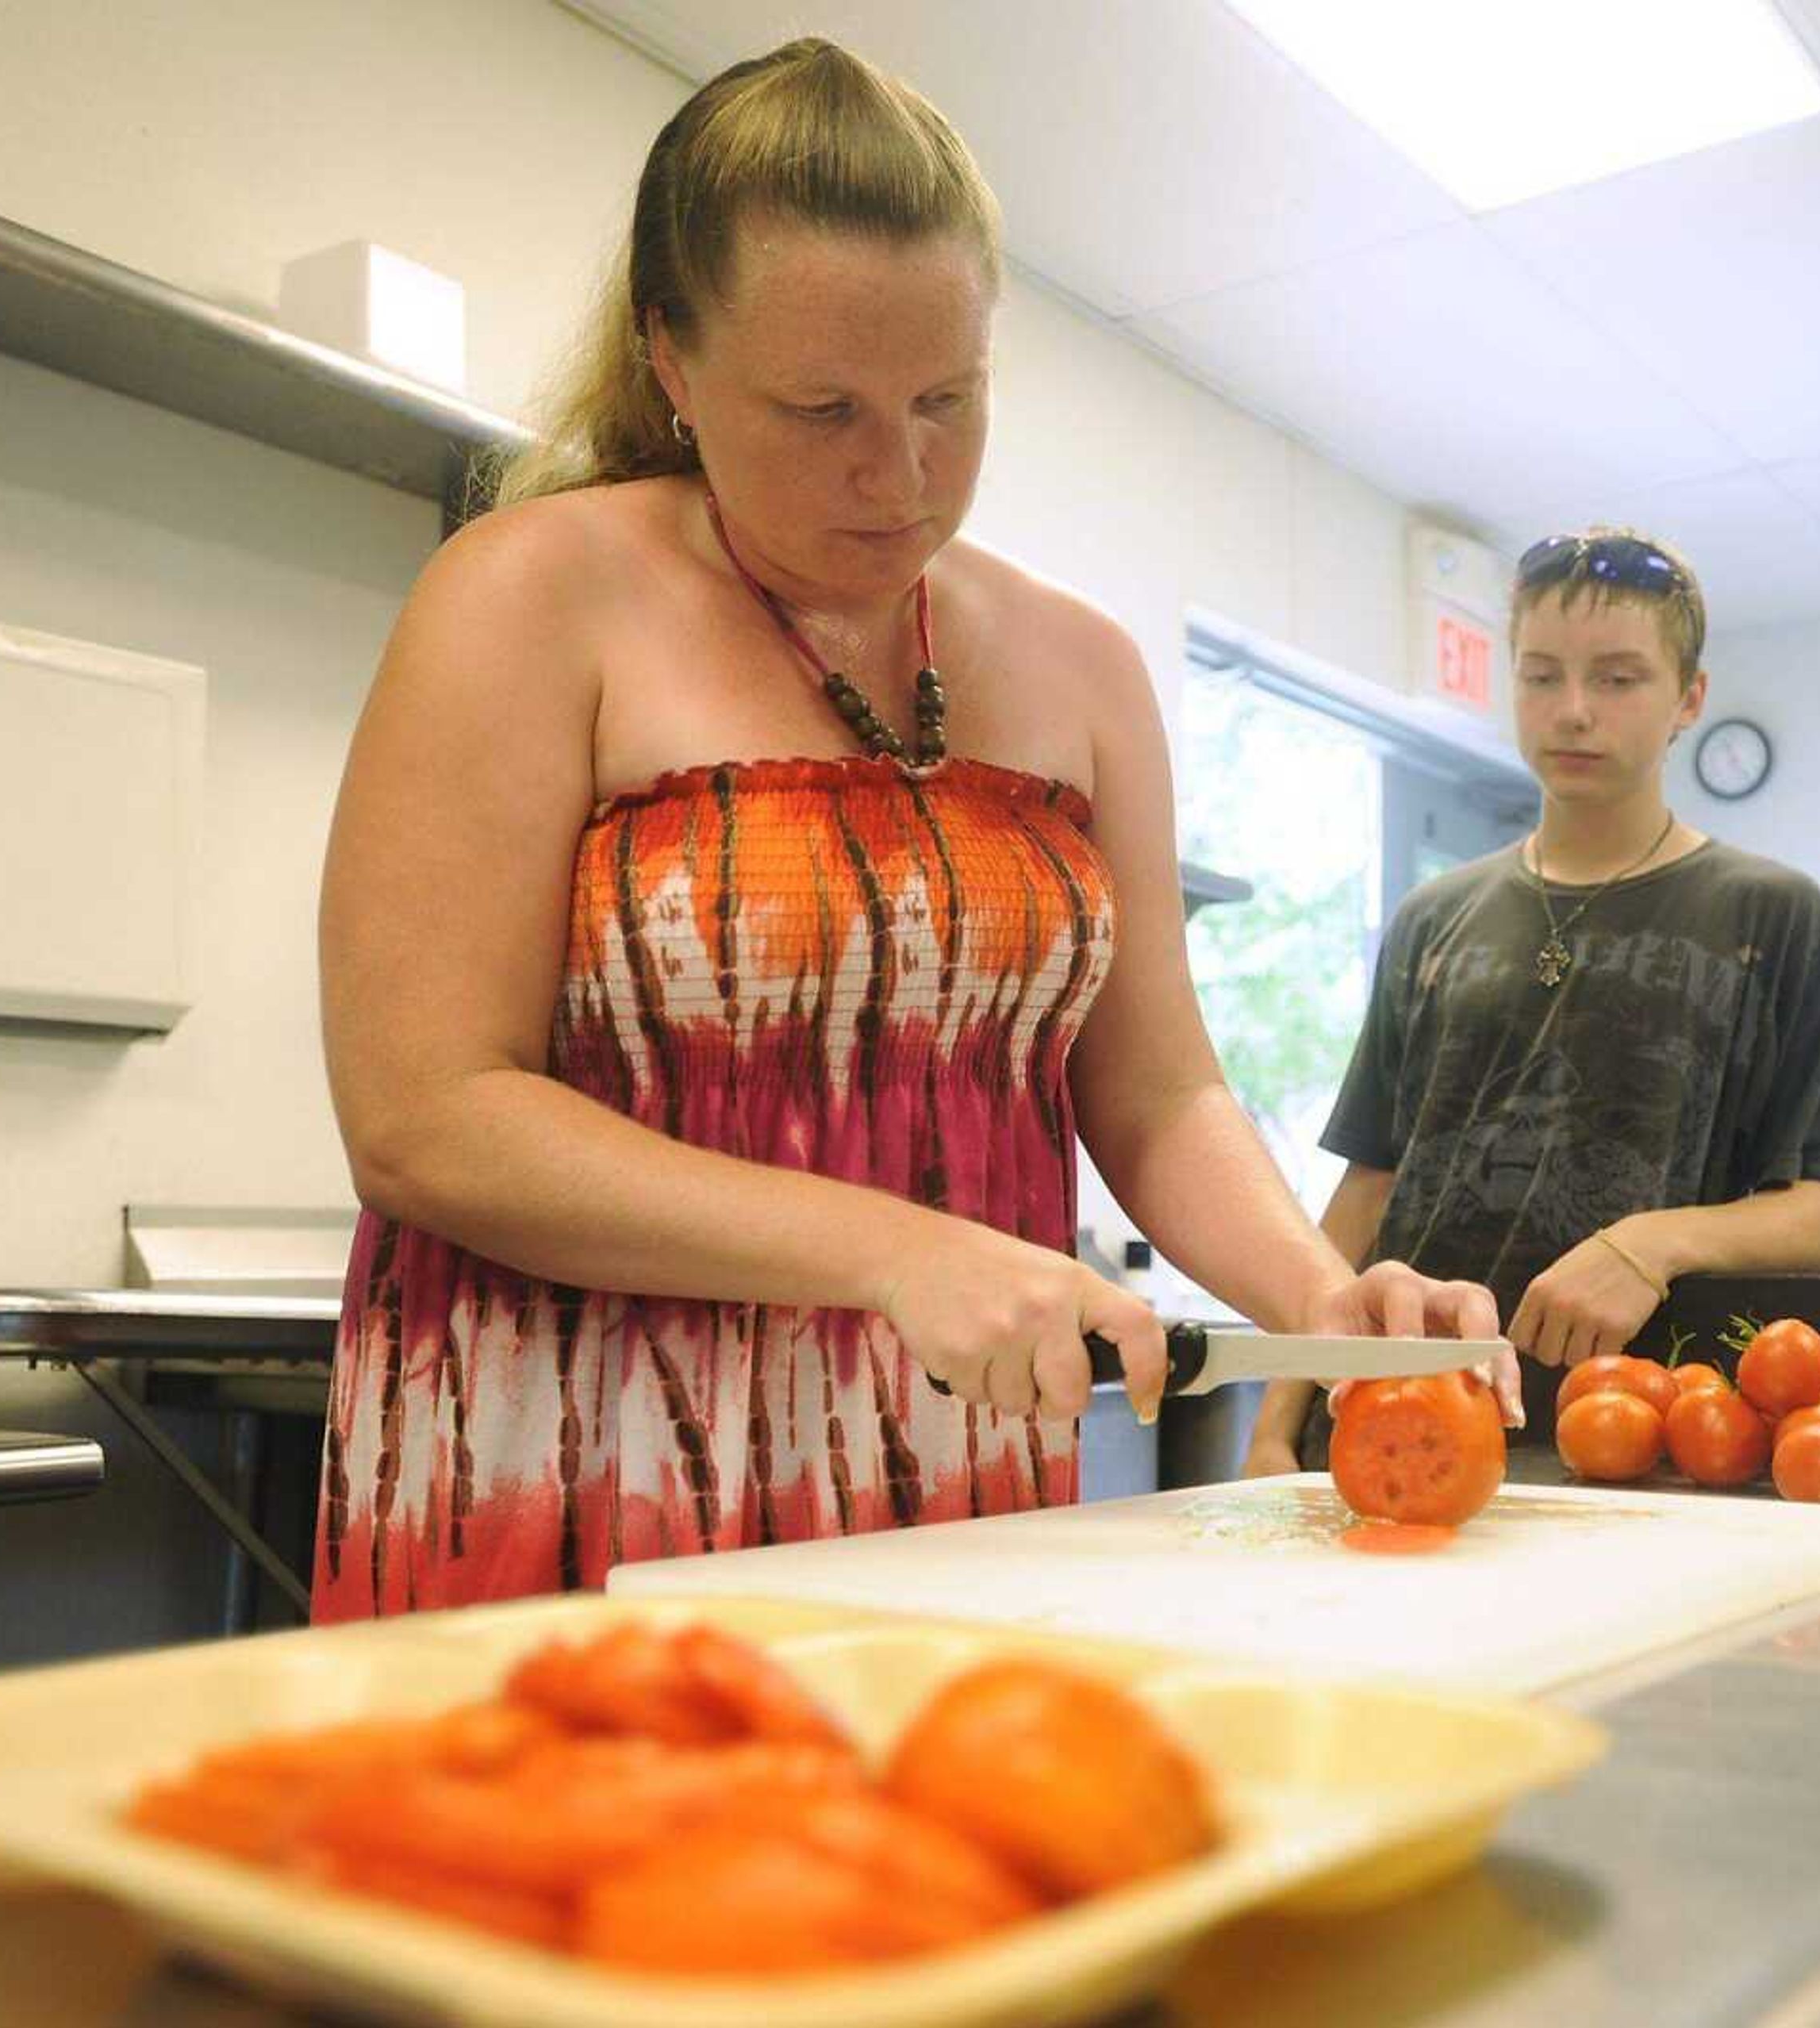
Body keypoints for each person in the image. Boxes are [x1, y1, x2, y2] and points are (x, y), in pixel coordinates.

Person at [312, 39, 1500, 1620]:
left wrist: (1321, 1294)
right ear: (672, 359)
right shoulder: (534, 597)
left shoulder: (1084, 671)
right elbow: (426, 1109)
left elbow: (1154, 1092)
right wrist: (889, 1250)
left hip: (951, 1491)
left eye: (951, 398)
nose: (904, 472)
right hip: (580, 1459)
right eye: (823, 411)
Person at [1246, 529, 1820, 1474]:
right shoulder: (1432, 920)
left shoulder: (1770, 915)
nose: (1574, 711)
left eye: (1619, 679)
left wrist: (1649, 1244)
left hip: (1642, 1440)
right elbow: (1367, 1192)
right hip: (1398, 1426)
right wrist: (1272, 1428)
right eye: (1542, 676)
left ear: (1689, 700)